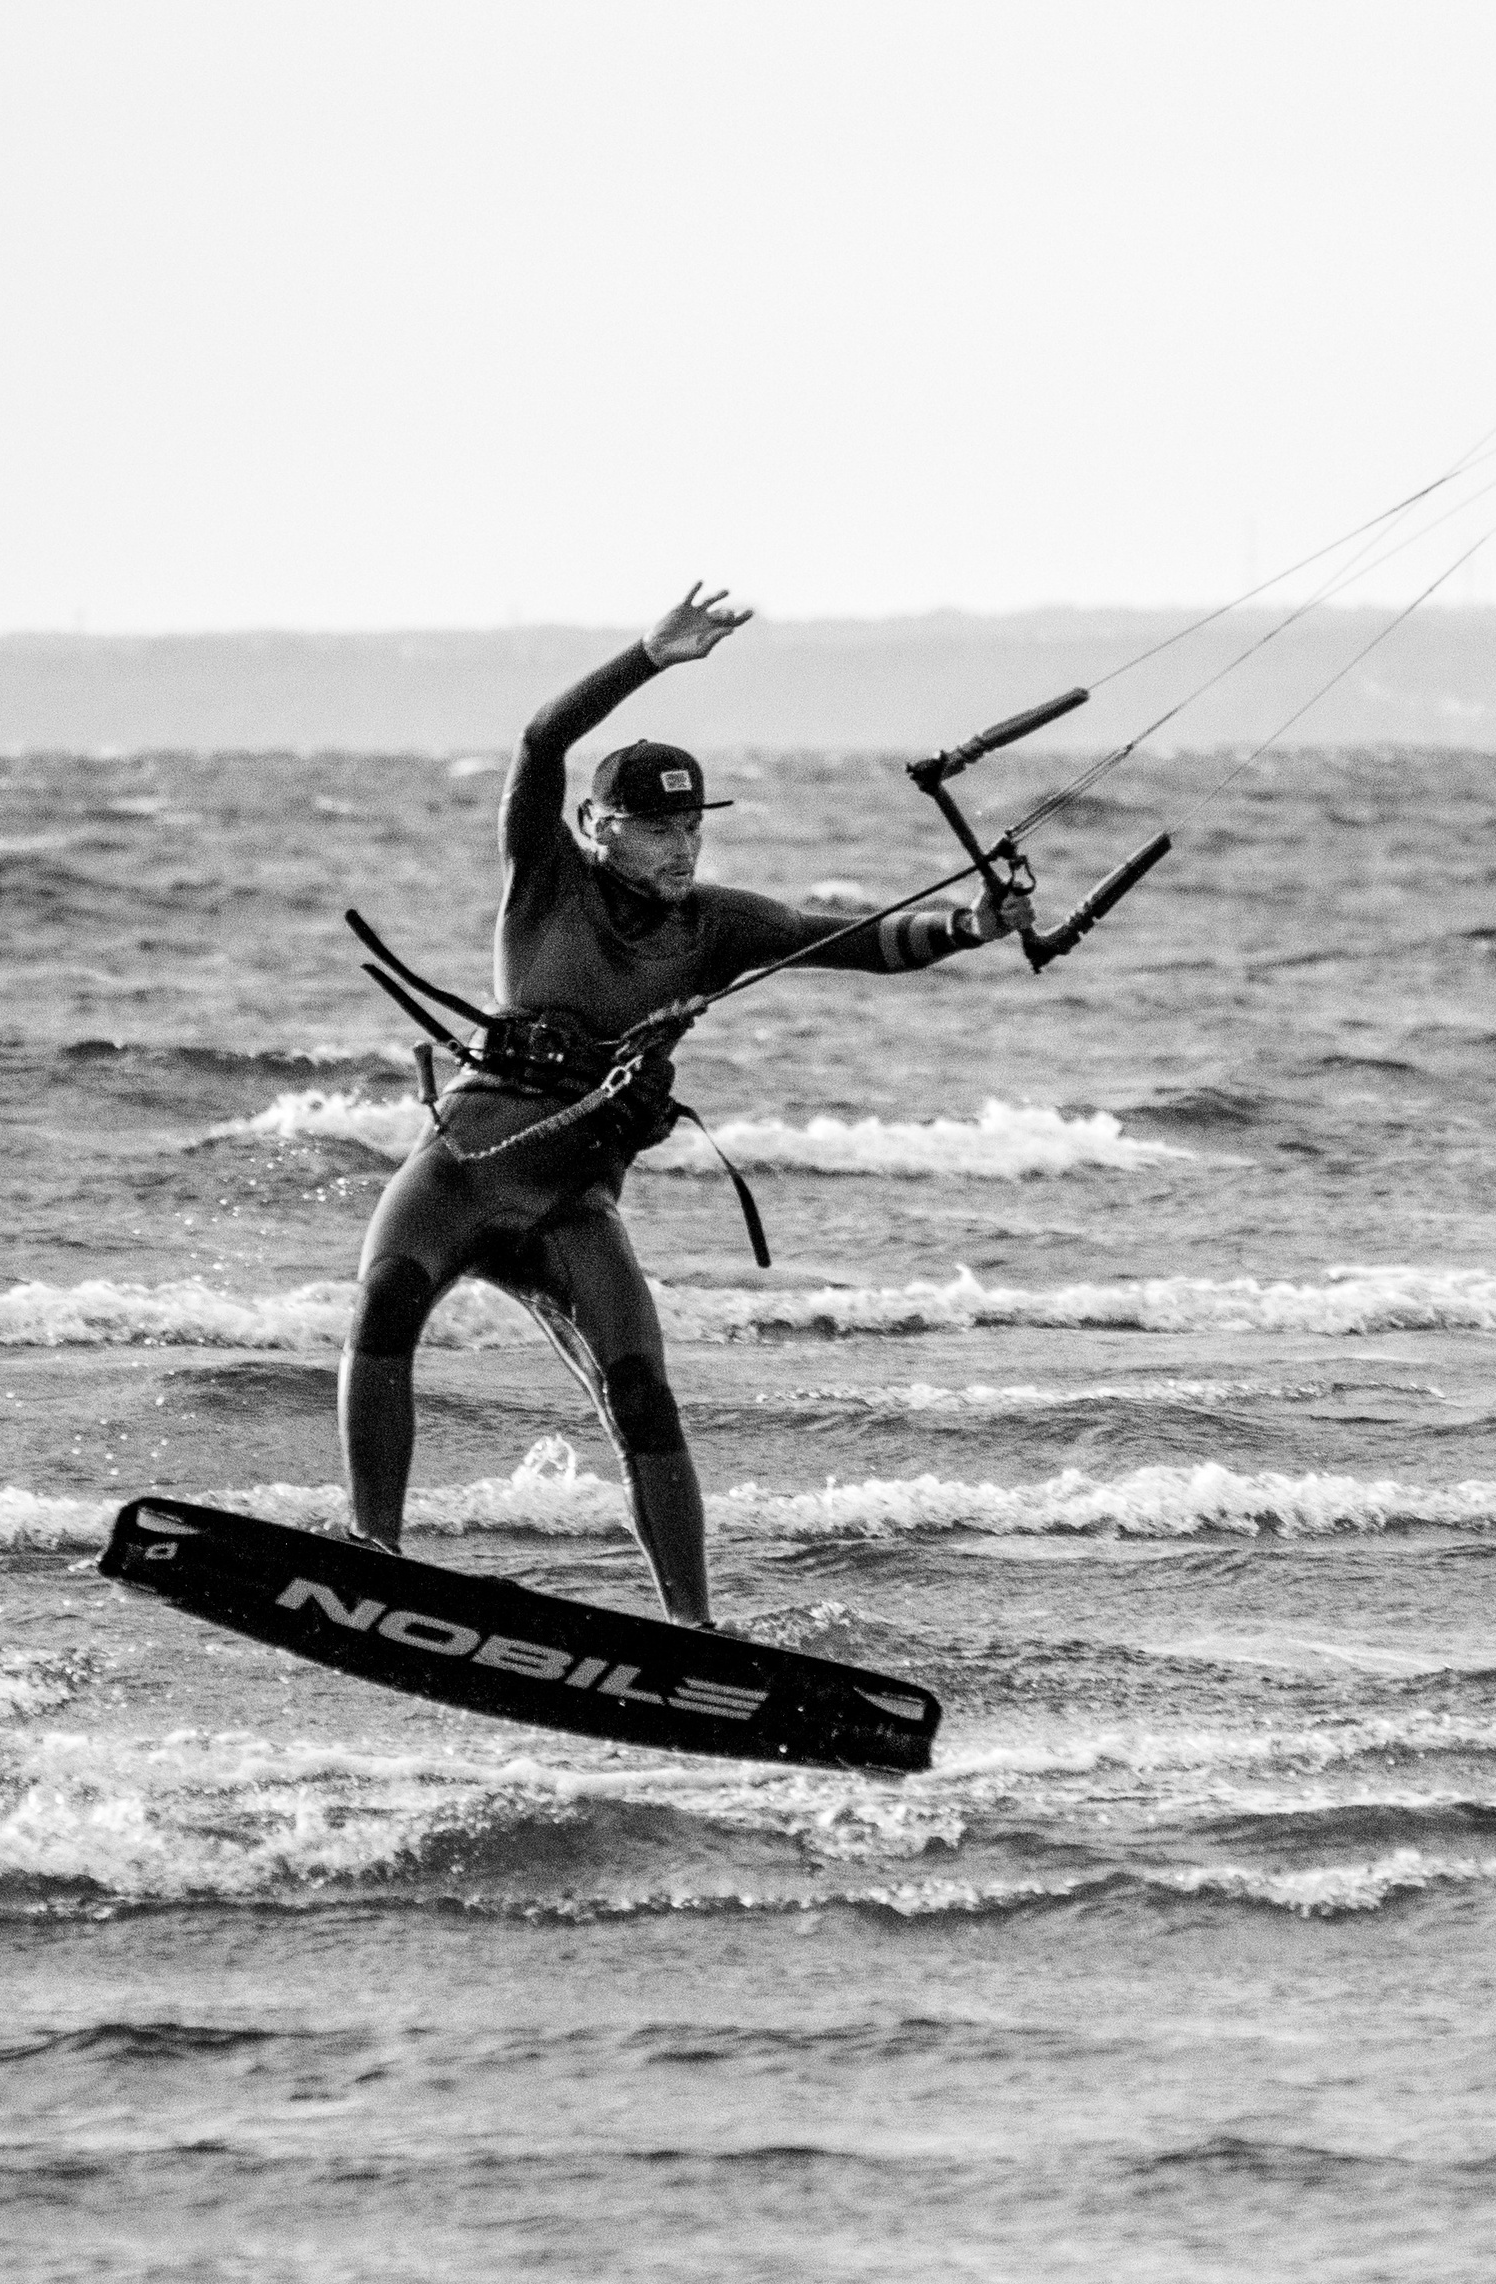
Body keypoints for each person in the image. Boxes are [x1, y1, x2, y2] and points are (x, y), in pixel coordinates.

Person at [340, 582, 1031, 1624]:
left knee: (642, 1394)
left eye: (690, 827)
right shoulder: (546, 882)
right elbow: (538, 740)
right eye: (653, 828)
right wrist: (647, 657)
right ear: (597, 825)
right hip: (466, 1169)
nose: (680, 846)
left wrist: (971, 926)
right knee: (385, 1298)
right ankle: (372, 1558)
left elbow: (860, 941)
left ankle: (693, 1632)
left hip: (575, 1203)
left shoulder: (716, 925)